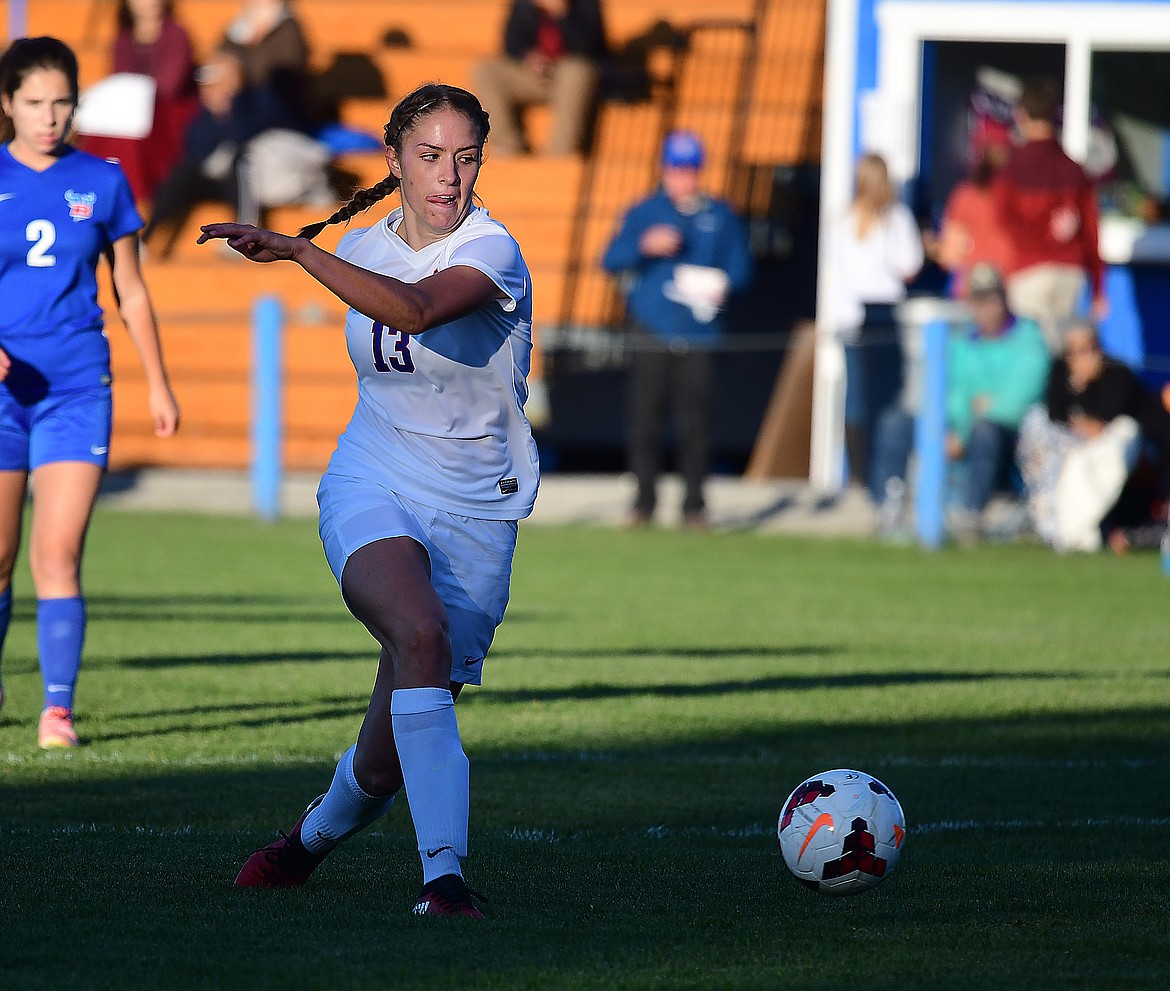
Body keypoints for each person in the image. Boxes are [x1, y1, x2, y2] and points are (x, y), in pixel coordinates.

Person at [198, 82, 539, 917]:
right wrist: (319, 251)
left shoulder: (494, 252)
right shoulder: (366, 243)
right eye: (429, 156)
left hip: (476, 512)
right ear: (395, 161)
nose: (449, 177)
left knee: (384, 764)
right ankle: (445, 881)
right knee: (418, 631)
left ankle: (304, 843)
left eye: (465, 158)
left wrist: (303, 252)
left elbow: (418, 310)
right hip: (372, 479)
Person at [0, 37, 180, 745]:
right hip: (7, 395)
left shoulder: (102, 181)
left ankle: (56, 709)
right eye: (35, 102)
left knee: (59, 554)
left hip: (78, 388)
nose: (50, 116)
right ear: (8, 102)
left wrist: (159, 384)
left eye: (62, 102)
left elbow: (131, 290)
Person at [601, 130, 753, 528]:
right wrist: (643, 246)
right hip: (652, 329)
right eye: (675, 169)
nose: (682, 177)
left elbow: (740, 270)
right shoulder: (645, 212)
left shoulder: (720, 216)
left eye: (688, 170)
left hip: (700, 332)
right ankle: (644, 502)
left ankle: (694, 506)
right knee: (644, 420)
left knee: (696, 423)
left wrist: (721, 285)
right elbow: (611, 259)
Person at [870, 263, 1049, 543]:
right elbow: (948, 393)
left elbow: (1015, 403)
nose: (986, 308)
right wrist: (953, 427)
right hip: (959, 428)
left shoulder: (1029, 339)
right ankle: (888, 509)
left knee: (986, 430)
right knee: (896, 422)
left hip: (1009, 439)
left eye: (992, 299)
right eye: (978, 301)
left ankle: (969, 516)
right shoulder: (961, 341)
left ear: (1004, 299)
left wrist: (963, 430)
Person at [141, 44, 317, 259]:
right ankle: (145, 240)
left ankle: (246, 233)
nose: (211, 87)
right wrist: (216, 114)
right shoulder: (205, 111)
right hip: (213, 178)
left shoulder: (258, 100)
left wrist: (230, 106)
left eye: (218, 79)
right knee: (181, 173)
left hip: (253, 177)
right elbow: (194, 147)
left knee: (242, 163)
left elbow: (245, 137)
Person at [1016, 320, 1162, 552]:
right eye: (1075, 351)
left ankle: (1089, 530)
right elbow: (1055, 413)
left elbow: (1109, 420)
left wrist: (1086, 396)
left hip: (1119, 453)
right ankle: (1062, 529)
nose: (1084, 356)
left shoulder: (1118, 372)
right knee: (1038, 426)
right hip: (1069, 448)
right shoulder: (1060, 372)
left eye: (1089, 348)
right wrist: (1077, 385)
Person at [828, 152, 924, 492]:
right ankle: (881, 473)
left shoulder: (843, 219)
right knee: (887, 397)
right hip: (881, 317)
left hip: (849, 317)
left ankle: (858, 475)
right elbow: (910, 265)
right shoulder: (896, 218)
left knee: (856, 395)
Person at [994, 75, 1107, 353]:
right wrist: (1098, 288)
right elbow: (1091, 230)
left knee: (1030, 350)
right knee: (1060, 351)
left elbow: (1003, 221)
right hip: (1070, 271)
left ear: (1021, 116)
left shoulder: (1014, 169)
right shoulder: (1074, 169)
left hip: (1029, 269)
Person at [75, 0, 200, 204]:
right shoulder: (123, 39)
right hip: (132, 113)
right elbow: (119, 83)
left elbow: (170, 87)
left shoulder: (176, 35)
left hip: (165, 117)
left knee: (130, 142)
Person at [472, 0, 606, 157]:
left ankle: (561, 153)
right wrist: (529, 57)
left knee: (576, 71)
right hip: (534, 74)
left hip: (570, 77)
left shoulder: (585, 4)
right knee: (485, 71)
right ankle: (508, 148)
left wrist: (562, 14)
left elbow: (590, 46)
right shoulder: (523, 4)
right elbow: (511, 42)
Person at [931, 140, 1015, 302]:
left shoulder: (966, 195)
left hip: (971, 284)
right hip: (1010, 283)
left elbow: (950, 253)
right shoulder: (1019, 196)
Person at [220, 0, 314, 128]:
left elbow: (285, 72)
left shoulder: (289, 29)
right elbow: (221, 64)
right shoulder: (235, 31)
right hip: (239, 103)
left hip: (280, 109)